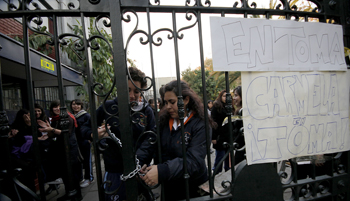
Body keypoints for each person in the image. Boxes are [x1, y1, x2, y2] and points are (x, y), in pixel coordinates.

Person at [80, 67, 155, 201]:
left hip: (140, 169)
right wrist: (94, 134)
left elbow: (151, 138)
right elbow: (85, 127)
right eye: (128, 90)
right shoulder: (108, 107)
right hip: (114, 170)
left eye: (137, 91)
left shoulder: (146, 110)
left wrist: (139, 160)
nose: (132, 95)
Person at [139, 80, 216, 201]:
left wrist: (163, 170)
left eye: (172, 102)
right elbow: (149, 143)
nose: (168, 106)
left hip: (193, 188)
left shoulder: (200, 123)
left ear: (186, 100)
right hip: (169, 187)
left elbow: (194, 160)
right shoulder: (163, 121)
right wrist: (138, 162)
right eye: (166, 102)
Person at [37, 100, 82, 201]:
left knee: (72, 173)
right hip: (60, 149)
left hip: (70, 149)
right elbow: (52, 135)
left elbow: (66, 133)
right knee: (65, 174)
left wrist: (51, 129)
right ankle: (68, 193)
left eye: (59, 106)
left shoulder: (68, 118)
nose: (57, 109)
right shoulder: (55, 119)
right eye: (55, 107)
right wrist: (48, 128)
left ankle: (77, 195)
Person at [70, 99, 94, 188]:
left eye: (78, 104)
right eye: (73, 104)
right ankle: (80, 178)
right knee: (78, 161)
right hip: (76, 142)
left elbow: (92, 126)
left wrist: (90, 139)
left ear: (81, 106)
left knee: (87, 160)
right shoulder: (72, 117)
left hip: (85, 141)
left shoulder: (86, 116)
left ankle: (89, 178)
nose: (75, 106)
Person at [211, 90, 232, 174]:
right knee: (220, 156)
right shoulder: (216, 106)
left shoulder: (230, 106)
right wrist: (213, 137)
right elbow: (213, 122)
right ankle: (216, 171)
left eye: (228, 96)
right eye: (224, 96)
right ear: (220, 97)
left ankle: (228, 171)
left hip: (228, 135)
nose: (226, 98)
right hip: (219, 135)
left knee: (228, 156)